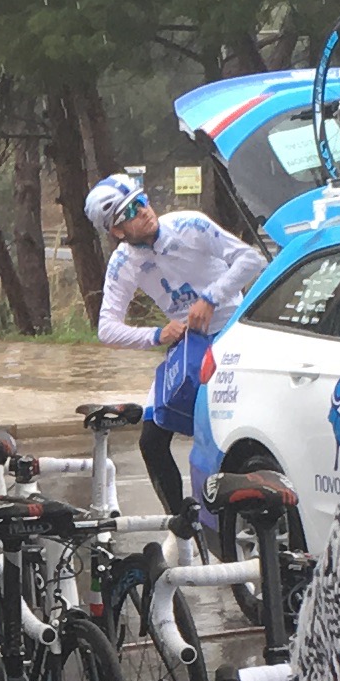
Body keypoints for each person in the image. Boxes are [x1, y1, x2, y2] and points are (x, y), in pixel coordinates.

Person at [89, 171, 264, 524]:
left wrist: (211, 298)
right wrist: (156, 335)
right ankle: (181, 526)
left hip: (230, 333)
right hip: (187, 347)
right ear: (117, 231)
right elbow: (106, 328)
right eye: (132, 211)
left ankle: (240, 514)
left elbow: (251, 260)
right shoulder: (124, 263)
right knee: (151, 441)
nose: (144, 210)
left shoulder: (190, 225)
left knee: (220, 430)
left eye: (142, 200)